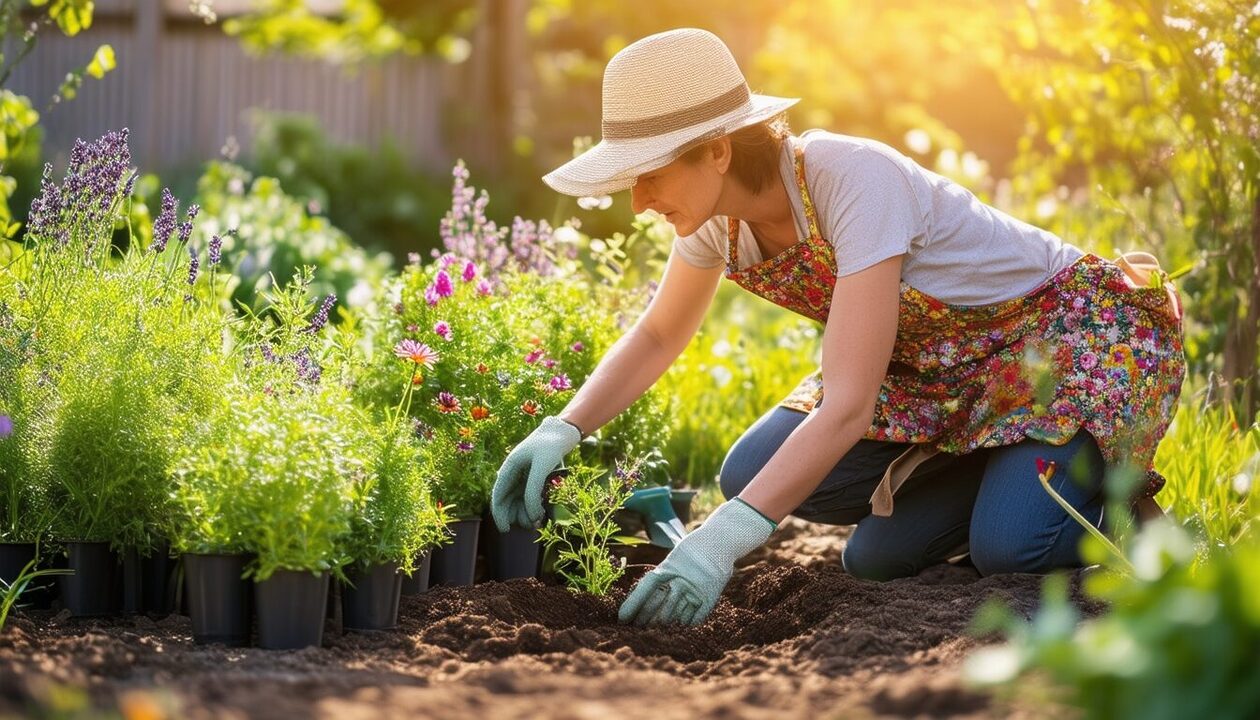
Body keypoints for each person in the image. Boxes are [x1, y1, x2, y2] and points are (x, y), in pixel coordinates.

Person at [490, 28, 1185, 627]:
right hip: (942, 374)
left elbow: (848, 404)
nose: (637, 200)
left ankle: (1107, 505)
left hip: (1062, 348)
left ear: (717, 151)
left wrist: (717, 543)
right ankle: (1008, 475)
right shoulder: (713, 226)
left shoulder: (853, 178)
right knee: (834, 531)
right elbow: (657, 336)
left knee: (1010, 549)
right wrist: (564, 426)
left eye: (648, 174)